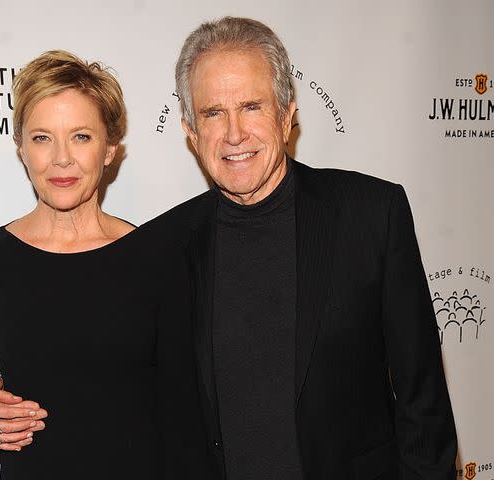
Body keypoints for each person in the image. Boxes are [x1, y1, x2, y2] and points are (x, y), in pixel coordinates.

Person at [152, 16, 455, 480]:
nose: (234, 133)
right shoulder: (166, 243)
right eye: (213, 112)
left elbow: (423, 397)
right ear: (191, 131)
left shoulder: (373, 214)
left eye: (252, 106)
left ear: (287, 113)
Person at [0, 50, 211, 479]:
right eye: (41, 138)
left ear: (110, 149)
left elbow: (186, 408)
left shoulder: (158, 256)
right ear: (20, 147)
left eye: (81, 137)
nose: (62, 159)